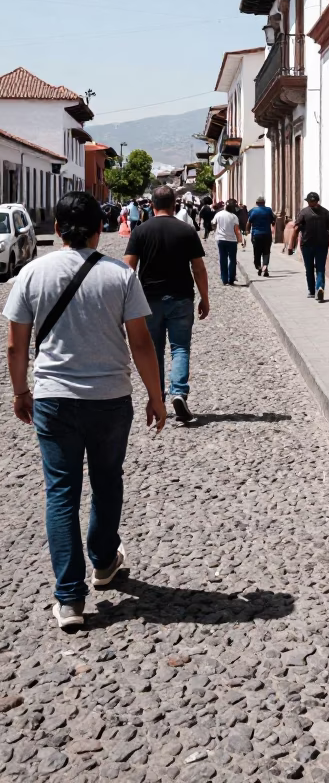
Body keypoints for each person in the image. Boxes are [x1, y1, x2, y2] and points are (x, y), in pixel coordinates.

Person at [4, 192, 166, 631]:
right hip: (111, 399)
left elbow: (16, 344)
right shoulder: (120, 276)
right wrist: (156, 395)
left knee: (61, 493)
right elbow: (141, 342)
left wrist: (21, 392)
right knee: (107, 479)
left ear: (56, 229)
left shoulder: (31, 273)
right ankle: (103, 561)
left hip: (53, 398)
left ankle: (70, 599)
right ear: (100, 229)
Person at [124, 185, 210, 425]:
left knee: (154, 350)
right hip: (181, 297)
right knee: (180, 348)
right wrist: (205, 297)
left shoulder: (140, 231)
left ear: (152, 205)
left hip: (148, 300)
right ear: (175, 205)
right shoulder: (186, 230)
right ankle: (179, 392)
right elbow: (199, 268)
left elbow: (128, 269)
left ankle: (157, 396)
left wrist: (124, 302)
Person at [287, 192, 329, 302]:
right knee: (320, 268)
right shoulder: (325, 213)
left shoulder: (304, 213)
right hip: (322, 244)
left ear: (308, 201)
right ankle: (319, 287)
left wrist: (291, 246)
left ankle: (311, 291)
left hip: (307, 245)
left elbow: (296, 230)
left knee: (309, 268)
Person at [213, 198, 245, 286]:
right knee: (232, 259)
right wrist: (240, 240)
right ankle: (231, 278)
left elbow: (213, 223)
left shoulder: (218, 214)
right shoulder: (234, 217)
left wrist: (216, 231)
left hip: (220, 239)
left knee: (222, 259)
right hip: (232, 240)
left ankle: (224, 279)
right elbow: (237, 230)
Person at [247, 195, 275, 278]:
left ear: (256, 203)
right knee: (266, 251)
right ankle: (265, 266)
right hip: (267, 234)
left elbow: (249, 222)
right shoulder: (268, 210)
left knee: (257, 252)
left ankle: (258, 266)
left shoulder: (252, 211)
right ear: (264, 203)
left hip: (256, 234)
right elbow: (273, 220)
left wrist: (247, 231)